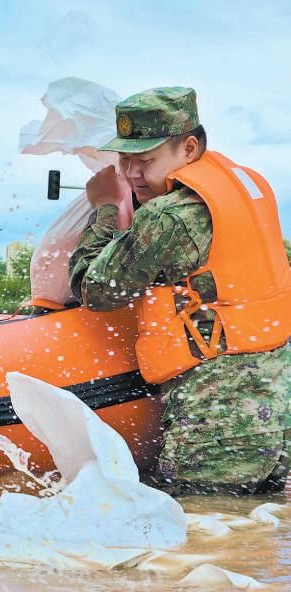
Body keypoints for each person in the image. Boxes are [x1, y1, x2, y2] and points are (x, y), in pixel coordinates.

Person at [69, 87, 291, 495]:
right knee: (246, 535)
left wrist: (103, 207)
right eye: (124, 160)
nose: (132, 174)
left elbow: (94, 289)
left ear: (188, 148)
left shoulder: (170, 216)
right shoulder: (249, 188)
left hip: (219, 415)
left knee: (198, 534)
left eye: (146, 161)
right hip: (276, 411)